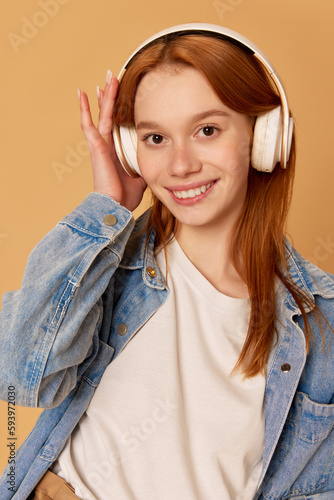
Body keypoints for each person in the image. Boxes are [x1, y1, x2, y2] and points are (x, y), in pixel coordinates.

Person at [0, 23, 333, 500]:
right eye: (156, 138)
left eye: (207, 130)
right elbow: (16, 380)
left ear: (264, 138)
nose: (180, 166)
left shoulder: (323, 323)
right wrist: (104, 208)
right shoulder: (105, 264)